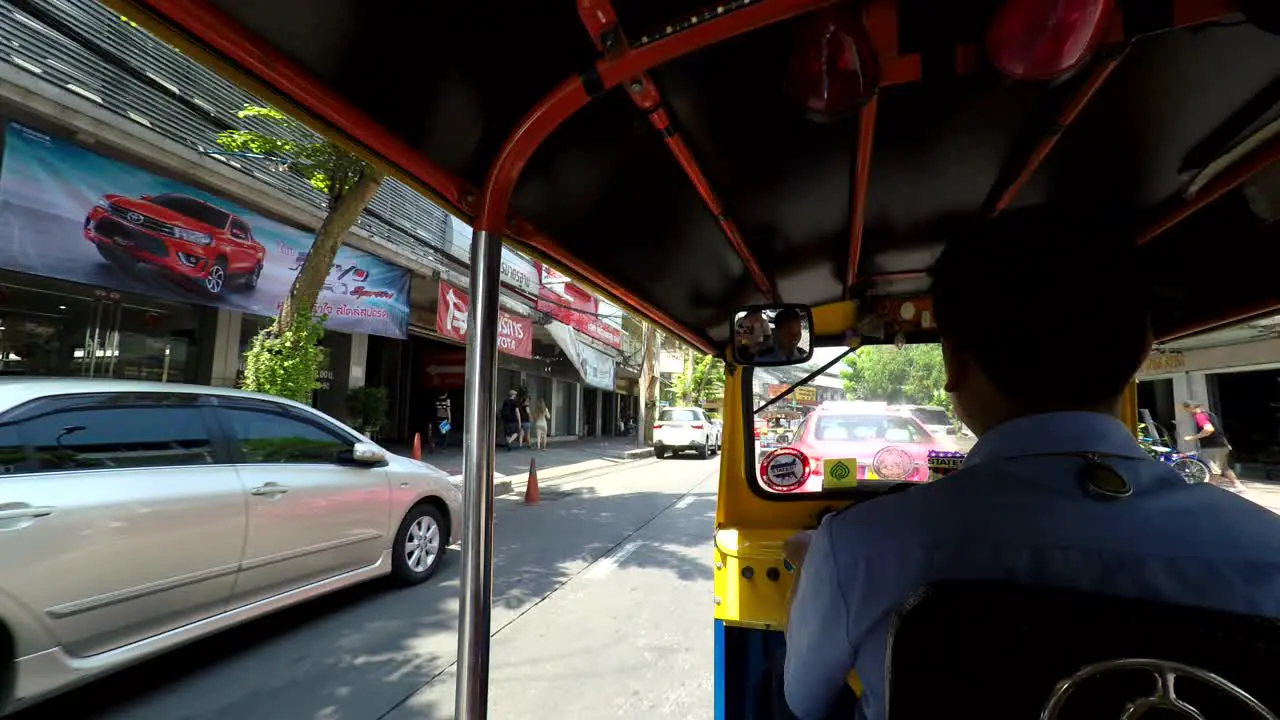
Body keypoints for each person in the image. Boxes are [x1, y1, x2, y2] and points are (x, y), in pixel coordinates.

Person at [781, 211, 1280, 720]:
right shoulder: (1268, 549)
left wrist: (817, 573)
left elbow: (804, 702)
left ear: (954, 363)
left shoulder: (861, 547)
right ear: (1142, 353)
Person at [1182, 401, 1245, 491]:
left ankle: (1210, 489)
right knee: (1224, 467)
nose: (1187, 412)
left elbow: (1209, 429)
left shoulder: (1200, 416)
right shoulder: (1209, 414)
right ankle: (1238, 485)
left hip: (1213, 446)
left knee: (1214, 469)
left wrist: (1192, 437)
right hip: (1221, 445)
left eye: (1186, 410)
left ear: (1190, 408)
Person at [430, 388, 452, 453]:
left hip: (438, 418)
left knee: (440, 433)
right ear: (446, 394)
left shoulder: (437, 400)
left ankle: (434, 442)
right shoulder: (447, 400)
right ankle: (443, 448)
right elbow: (448, 410)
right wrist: (450, 419)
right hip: (444, 419)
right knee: (445, 435)